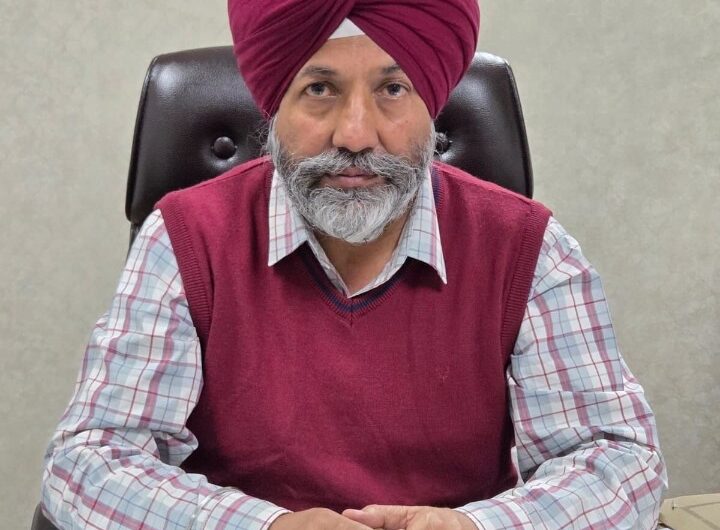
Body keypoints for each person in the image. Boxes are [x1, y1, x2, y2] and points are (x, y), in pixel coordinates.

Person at [41, 1, 667, 529]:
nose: (356, 134)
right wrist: (264, 527)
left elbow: (620, 460)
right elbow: (87, 460)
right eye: (320, 90)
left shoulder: (529, 247)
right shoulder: (184, 238)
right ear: (273, 108)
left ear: (433, 106)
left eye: (393, 90)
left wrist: (476, 527)